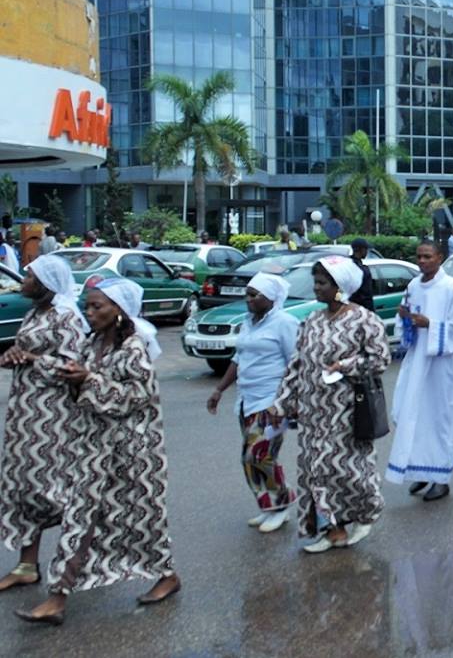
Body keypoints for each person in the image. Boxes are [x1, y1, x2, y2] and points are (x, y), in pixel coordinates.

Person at [16, 278, 179, 625]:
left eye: (97, 306)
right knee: (79, 518)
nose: (89, 313)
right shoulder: (91, 344)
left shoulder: (135, 347)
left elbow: (136, 398)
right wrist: (45, 365)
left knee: (142, 519)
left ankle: (167, 574)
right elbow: (75, 375)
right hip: (92, 452)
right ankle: (56, 598)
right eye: (87, 306)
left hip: (133, 452)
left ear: (118, 310)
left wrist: (89, 380)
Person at [269, 256, 391, 551]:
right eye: (316, 282)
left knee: (350, 471)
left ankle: (365, 514)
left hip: (348, 411)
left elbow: (380, 359)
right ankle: (332, 530)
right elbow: (296, 365)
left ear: (340, 287)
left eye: (322, 283)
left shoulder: (364, 319)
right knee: (316, 471)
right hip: (313, 413)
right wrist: (282, 403)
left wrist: (346, 365)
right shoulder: (311, 321)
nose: (316, 288)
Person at [0, 256, 87, 593]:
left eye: (29, 276)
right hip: (24, 417)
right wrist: (11, 356)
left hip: (53, 418)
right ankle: (26, 565)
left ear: (46, 282)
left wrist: (34, 359)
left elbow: (73, 365)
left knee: (54, 492)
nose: (22, 281)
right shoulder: (36, 313)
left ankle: (80, 559)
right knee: (24, 489)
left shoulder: (66, 317)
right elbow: (25, 351)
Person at [206, 272, 298, 533]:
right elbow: (238, 358)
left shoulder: (284, 323)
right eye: (246, 294)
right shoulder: (249, 322)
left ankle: (282, 504)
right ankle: (268, 505)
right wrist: (219, 389)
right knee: (248, 459)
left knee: (259, 454)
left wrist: (286, 403)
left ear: (271, 298)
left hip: (272, 401)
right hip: (247, 399)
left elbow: (296, 363)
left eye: (254, 295)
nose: (248, 299)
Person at [386, 240, 453, 500]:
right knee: (406, 413)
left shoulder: (451, 288)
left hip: (442, 364)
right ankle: (427, 469)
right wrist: (405, 318)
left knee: (439, 420)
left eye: (427, 256)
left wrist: (430, 324)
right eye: (419, 257)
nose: (422, 261)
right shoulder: (413, 285)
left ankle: (441, 478)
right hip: (417, 359)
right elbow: (407, 320)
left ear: (440, 257)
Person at [348, 237, 375, 311]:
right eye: (366, 249)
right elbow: (367, 296)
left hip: (346, 309)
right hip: (360, 311)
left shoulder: (345, 265)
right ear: (362, 250)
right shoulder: (363, 271)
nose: (367, 252)